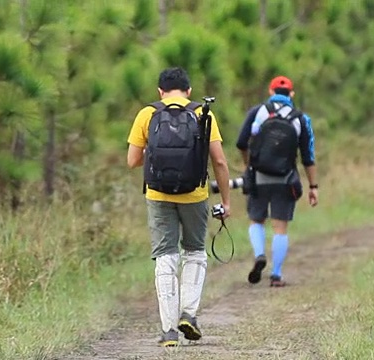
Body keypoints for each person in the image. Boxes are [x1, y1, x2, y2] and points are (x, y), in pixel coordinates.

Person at [126, 67, 232, 347]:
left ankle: (169, 330)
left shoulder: (147, 114)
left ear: (160, 91)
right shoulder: (201, 113)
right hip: (195, 195)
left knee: (165, 255)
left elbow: (132, 160)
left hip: (158, 195)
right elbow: (219, 161)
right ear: (189, 91)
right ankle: (189, 313)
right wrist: (226, 201)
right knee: (195, 251)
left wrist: (157, 157)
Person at [235, 75, 318, 287]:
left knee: (256, 220)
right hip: (286, 179)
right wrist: (313, 186)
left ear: (271, 92)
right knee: (280, 228)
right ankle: (276, 274)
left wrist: (248, 165)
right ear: (292, 94)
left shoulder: (257, 112)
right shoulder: (301, 118)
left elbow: (241, 142)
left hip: (259, 176)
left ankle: (260, 254)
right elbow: (308, 156)